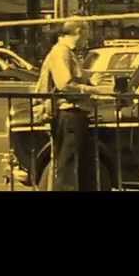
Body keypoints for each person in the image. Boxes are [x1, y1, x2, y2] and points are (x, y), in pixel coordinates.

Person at [38, 20, 102, 191]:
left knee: (77, 165)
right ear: (79, 31)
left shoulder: (67, 53)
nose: (87, 39)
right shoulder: (61, 52)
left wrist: (88, 78)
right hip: (69, 114)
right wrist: (93, 89)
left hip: (74, 114)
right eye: (87, 34)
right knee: (68, 167)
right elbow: (64, 84)